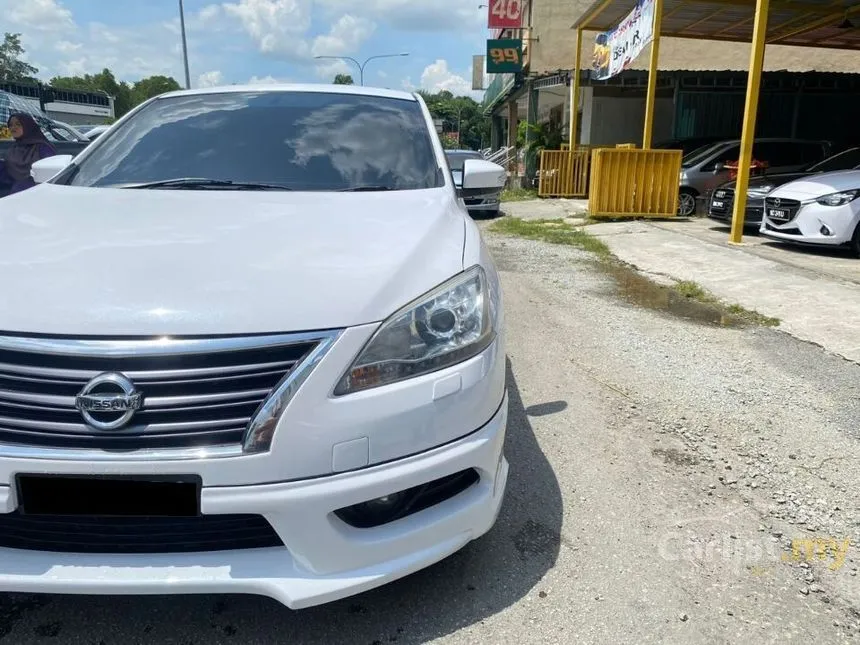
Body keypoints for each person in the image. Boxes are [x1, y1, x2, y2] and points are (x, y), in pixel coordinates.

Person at [0, 113, 56, 195]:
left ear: (28, 126)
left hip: (37, 192)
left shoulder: (43, 148)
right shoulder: (14, 148)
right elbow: (9, 174)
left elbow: (51, 175)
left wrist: (23, 185)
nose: (13, 128)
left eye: (18, 124)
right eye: (10, 125)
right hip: (12, 191)